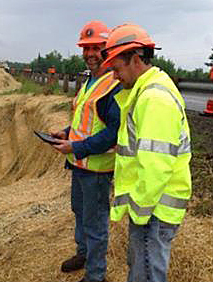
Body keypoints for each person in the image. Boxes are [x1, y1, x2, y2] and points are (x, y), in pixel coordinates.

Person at [101, 23, 192, 282]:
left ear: (136, 59)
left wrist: (139, 213)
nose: (115, 76)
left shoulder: (154, 99)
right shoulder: (146, 93)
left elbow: (156, 165)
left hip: (153, 211)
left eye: (117, 69)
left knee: (146, 275)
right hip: (152, 207)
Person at [51, 20, 122, 282]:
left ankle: (95, 275)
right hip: (79, 164)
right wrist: (67, 133)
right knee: (79, 213)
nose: (90, 53)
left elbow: (113, 133)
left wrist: (76, 146)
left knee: (95, 223)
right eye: (85, 48)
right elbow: (87, 120)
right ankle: (83, 254)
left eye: (96, 47)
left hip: (96, 169)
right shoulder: (91, 81)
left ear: (107, 49)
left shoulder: (114, 84)